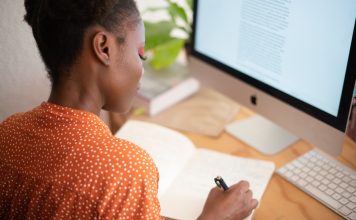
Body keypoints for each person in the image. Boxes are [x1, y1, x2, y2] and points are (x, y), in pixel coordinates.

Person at [0, 0, 258, 219]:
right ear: (104, 47)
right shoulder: (124, 173)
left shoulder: (7, 133)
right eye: (140, 54)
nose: (142, 69)